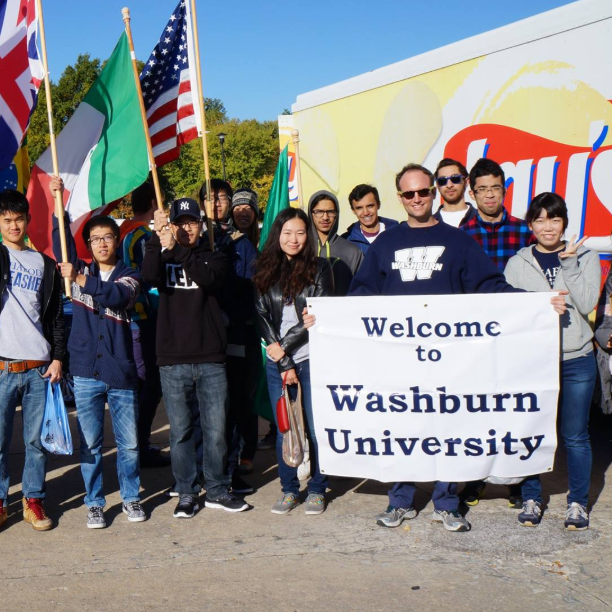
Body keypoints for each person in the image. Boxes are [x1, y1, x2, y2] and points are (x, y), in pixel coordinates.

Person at [347, 163, 567, 532]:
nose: (417, 199)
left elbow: (491, 287)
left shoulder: (458, 241)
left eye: (423, 191)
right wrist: (324, 319)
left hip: (448, 361)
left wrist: (538, 302)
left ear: (433, 192)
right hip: (400, 361)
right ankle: (400, 500)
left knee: (446, 429)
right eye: (408, 193)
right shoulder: (386, 243)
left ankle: (446, 503)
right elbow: (361, 296)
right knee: (402, 429)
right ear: (400, 198)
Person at [142, 197, 249, 518]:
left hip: (210, 357)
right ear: (172, 225)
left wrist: (177, 249)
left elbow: (209, 279)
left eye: (191, 222)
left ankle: (216, 488)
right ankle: (186, 492)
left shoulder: (215, 255)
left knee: (216, 430)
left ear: (200, 225)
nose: (186, 228)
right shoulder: (162, 251)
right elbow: (148, 275)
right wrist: (155, 236)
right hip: (172, 358)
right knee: (181, 432)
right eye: (180, 222)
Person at [51, 178, 146, 529]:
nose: (102, 243)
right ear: (88, 244)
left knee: (130, 443)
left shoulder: (129, 275)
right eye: (95, 239)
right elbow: (56, 236)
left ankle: (131, 497)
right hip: (85, 372)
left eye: (108, 237)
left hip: (122, 371)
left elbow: (117, 298)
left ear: (116, 241)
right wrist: (57, 202)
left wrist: (80, 281)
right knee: (90, 444)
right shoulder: (77, 269)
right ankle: (94, 502)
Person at [504, 192, 600, 530]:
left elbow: (588, 300)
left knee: (575, 436)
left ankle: (577, 503)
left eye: (555, 219)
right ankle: (531, 496)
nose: (548, 227)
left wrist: (570, 263)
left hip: (577, 359)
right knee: (533, 431)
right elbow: (509, 311)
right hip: (534, 361)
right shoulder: (517, 263)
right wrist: (540, 306)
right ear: (530, 225)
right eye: (541, 220)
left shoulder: (585, 257)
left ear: (564, 223)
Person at [253, 207, 333, 515]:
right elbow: (260, 313)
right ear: (278, 235)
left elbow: (318, 317)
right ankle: (288, 489)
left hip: (312, 359)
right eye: (287, 232)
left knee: (314, 427)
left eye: (300, 232)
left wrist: (283, 348)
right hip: (277, 362)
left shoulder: (321, 268)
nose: (294, 239)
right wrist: (282, 360)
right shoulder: (263, 268)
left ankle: (317, 488)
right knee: (285, 426)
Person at [0, 189, 64, 532]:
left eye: (18, 219)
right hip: (2, 367)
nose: (13, 225)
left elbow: (55, 317)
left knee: (36, 442)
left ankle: (33, 500)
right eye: (6, 220)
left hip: (39, 368)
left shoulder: (45, 264)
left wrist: (57, 358)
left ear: (27, 220)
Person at [120, 181, 168, 469]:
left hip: (136, 319)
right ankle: (139, 446)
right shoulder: (141, 236)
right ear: (153, 203)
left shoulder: (127, 232)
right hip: (145, 318)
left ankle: (138, 445)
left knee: (146, 384)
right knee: (149, 384)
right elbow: (151, 277)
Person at [461, 158, 534, 271]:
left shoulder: (526, 231)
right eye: (482, 189)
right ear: (472, 194)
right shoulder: (462, 235)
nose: (489, 195)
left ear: (504, 191)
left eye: (495, 188)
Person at [308, 190, 363, 296]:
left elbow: (362, 288)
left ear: (336, 214)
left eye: (330, 211)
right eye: (319, 212)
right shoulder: (301, 248)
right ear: (311, 214)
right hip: (306, 311)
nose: (325, 217)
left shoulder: (352, 251)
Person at [343, 184, 398, 254]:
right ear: (353, 210)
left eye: (370, 206)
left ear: (378, 205)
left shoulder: (397, 232)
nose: (366, 213)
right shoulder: (346, 241)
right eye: (359, 208)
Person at [432, 158, 476, 227]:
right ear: (437, 185)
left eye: (455, 179)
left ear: (466, 182)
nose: (449, 185)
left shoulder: (482, 219)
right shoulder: (429, 224)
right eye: (442, 181)